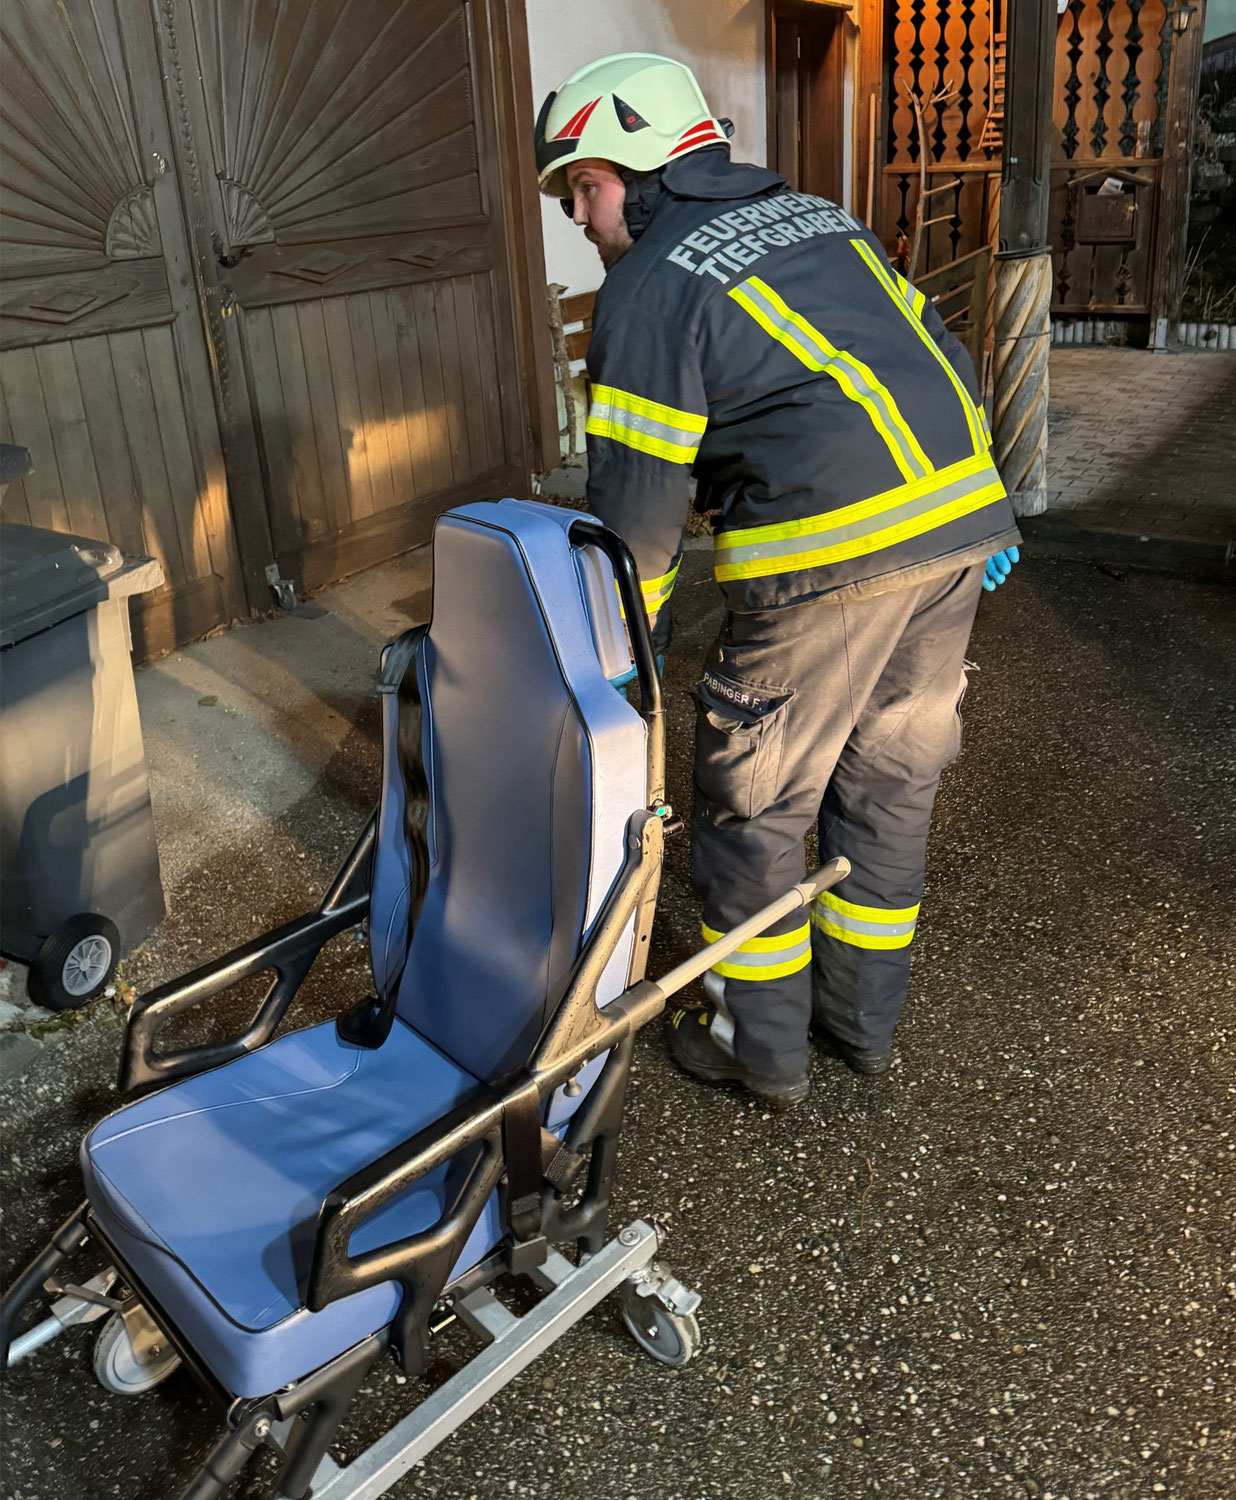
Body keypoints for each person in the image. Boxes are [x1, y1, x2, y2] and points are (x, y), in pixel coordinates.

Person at [535, 54, 1021, 1109]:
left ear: (647, 165)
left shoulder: (651, 288)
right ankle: (862, 1027)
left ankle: (761, 1052)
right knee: (890, 785)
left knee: (754, 806)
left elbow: (638, 516)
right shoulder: (820, 219)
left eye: (584, 184)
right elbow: (938, 345)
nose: (577, 213)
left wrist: (620, 661)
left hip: (829, 566)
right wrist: (989, 503)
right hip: (954, 539)